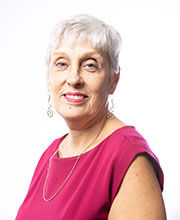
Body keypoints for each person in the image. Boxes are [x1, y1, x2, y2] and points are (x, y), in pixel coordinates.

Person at [15, 14, 166, 220]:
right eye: (61, 63)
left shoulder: (128, 157)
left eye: (90, 65)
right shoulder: (51, 154)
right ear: (48, 78)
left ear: (113, 80)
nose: (74, 78)